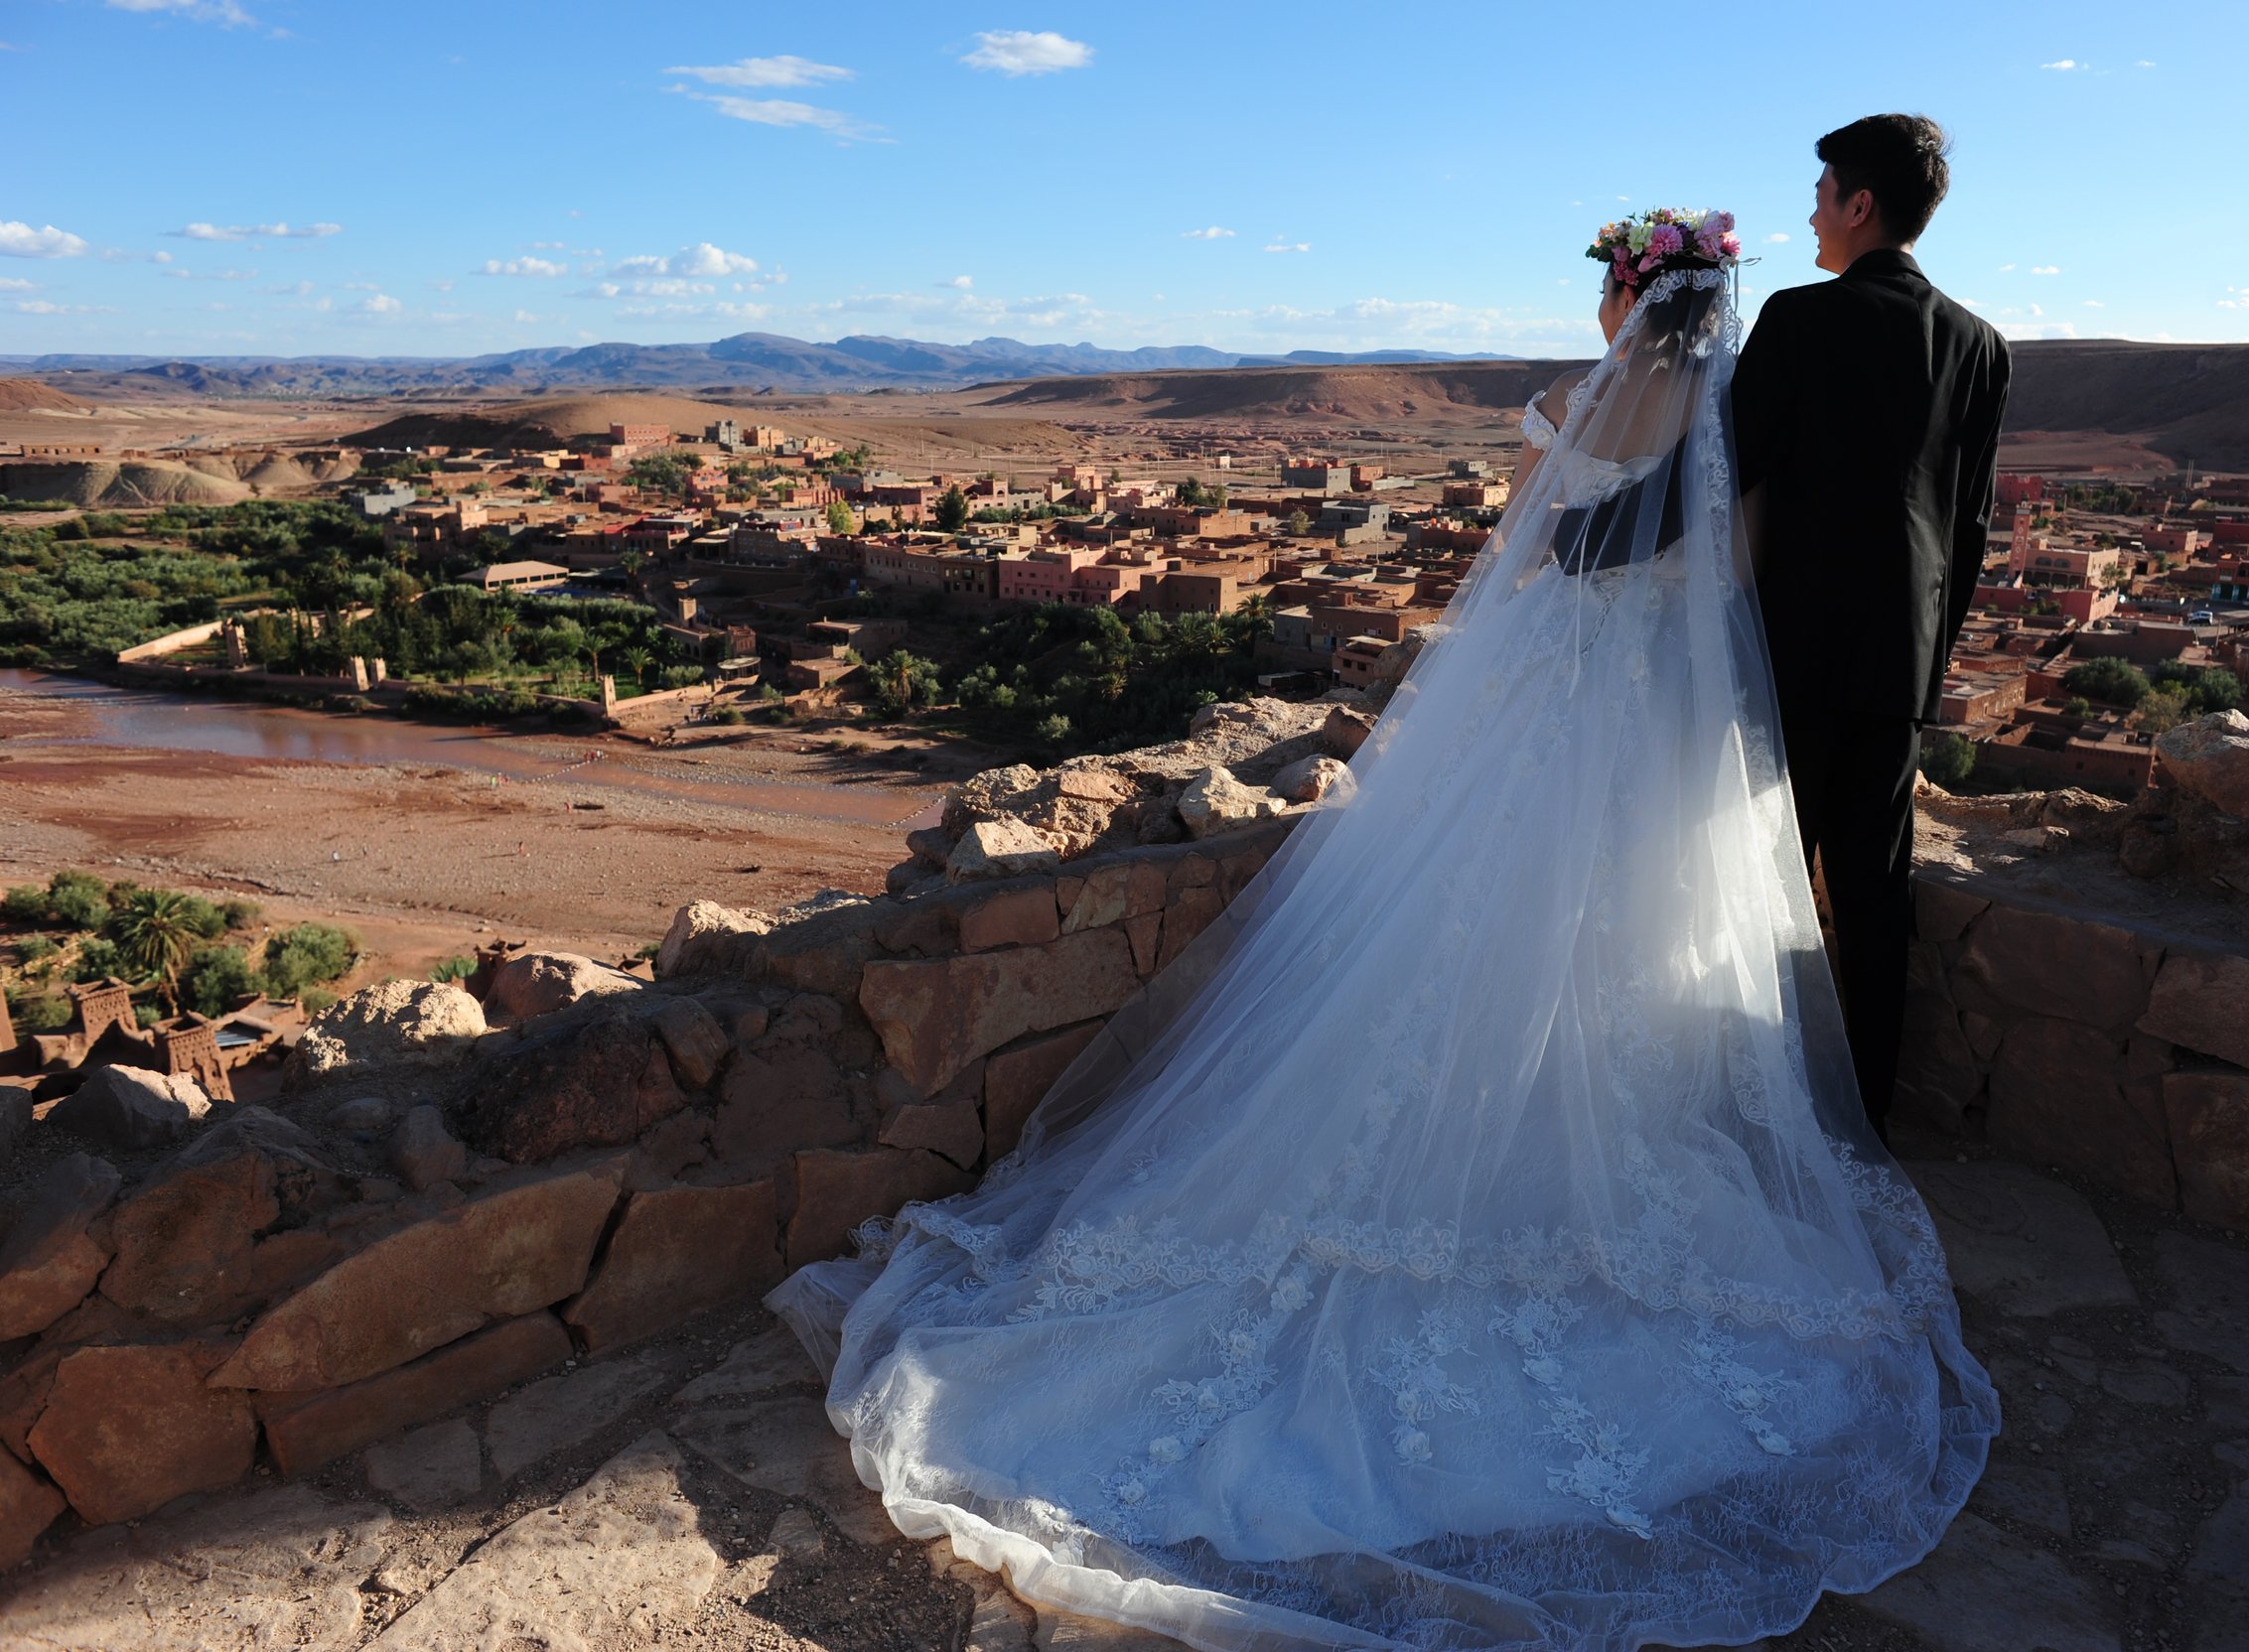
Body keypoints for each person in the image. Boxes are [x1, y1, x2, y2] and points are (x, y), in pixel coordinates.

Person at [768, 195, 1996, 1652]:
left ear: (1623, 296)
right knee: (1620, 958)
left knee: (1462, 947)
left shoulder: (1566, 401)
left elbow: (1529, 556)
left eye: (1609, 286)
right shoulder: (1739, 413)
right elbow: (1728, 572)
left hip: (1537, 711)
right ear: (1711, 302)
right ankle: (1576, 1160)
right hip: (1658, 732)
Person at [1731, 114, 2012, 1139]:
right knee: (1872, 891)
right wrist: (1929, 667)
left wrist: (1587, 535)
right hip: (1899, 668)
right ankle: (1864, 1119)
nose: (1809, 214)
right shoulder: (1980, 346)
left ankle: (1754, 1108)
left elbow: (1727, 471)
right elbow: (1968, 528)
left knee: (1761, 886)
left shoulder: (1797, 320)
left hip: (1789, 657)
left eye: (1819, 195)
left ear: (1859, 205)